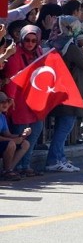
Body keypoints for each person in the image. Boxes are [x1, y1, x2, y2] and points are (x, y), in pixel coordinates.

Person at [44, 16, 83, 173]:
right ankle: (54, 160)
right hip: (69, 91)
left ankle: (60, 158)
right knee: (64, 128)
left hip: (57, 90)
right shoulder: (68, 46)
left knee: (62, 127)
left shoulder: (52, 42)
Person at [3, 25, 44, 177]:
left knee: (34, 134)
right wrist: (11, 98)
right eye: (27, 39)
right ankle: (15, 166)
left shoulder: (39, 52)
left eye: (34, 40)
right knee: (21, 136)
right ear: (21, 38)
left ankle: (25, 165)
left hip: (35, 101)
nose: (30, 43)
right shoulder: (15, 55)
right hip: (19, 102)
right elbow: (12, 79)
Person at [0, 92, 31, 181]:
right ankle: (7, 171)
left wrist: (21, 135)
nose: (5, 104)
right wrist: (13, 140)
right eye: (2, 102)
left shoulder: (2, 117)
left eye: (7, 101)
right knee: (11, 144)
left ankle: (8, 170)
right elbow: (8, 138)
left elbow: (7, 134)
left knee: (25, 143)